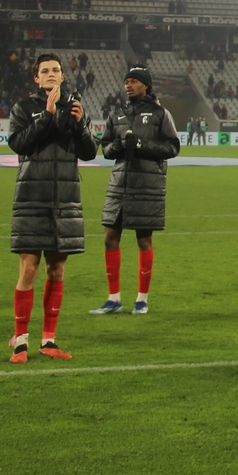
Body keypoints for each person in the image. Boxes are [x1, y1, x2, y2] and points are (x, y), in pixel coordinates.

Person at [7, 53, 97, 362]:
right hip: (32, 197)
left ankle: (49, 340)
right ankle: (20, 342)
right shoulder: (23, 108)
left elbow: (89, 152)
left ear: (62, 76)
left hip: (65, 199)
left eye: (55, 70)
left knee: (56, 270)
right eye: (44, 71)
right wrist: (46, 115)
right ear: (36, 78)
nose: (50, 74)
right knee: (29, 268)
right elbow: (19, 144)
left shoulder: (73, 108)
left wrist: (80, 123)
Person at [91, 66, 181, 315]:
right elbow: (106, 148)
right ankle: (114, 299)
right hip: (120, 184)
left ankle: (142, 299)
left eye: (133, 81)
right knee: (110, 237)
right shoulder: (117, 113)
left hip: (147, 184)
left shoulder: (161, 114)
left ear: (145, 85)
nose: (127, 85)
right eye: (126, 81)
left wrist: (142, 144)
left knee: (143, 239)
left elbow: (173, 148)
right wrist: (118, 146)